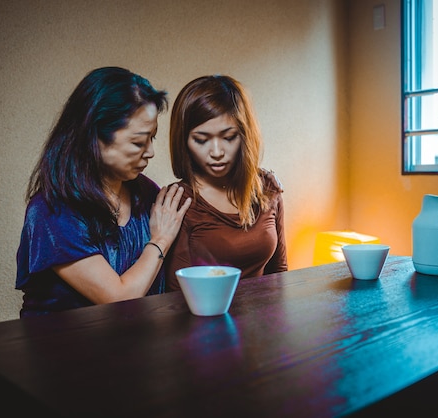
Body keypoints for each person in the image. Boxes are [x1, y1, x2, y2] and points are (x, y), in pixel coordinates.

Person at [15, 67, 191, 317]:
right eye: (138, 142)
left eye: (153, 138)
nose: (151, 152)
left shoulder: (145, 192)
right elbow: (118, 298)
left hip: (136, 347)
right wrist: (160, 241)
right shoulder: (51, 211)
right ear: (94, 136)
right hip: (61, 350)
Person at [164, 75, 287, 291]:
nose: (217, 153)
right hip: (205, 321)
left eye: (229, 137)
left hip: (265, 319)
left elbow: (279, 272)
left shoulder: (268, 187)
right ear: (183, 141)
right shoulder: (178, 201)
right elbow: (175, 294)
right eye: (201, 140)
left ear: (244, 135)